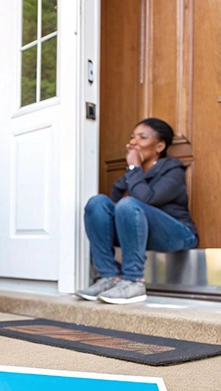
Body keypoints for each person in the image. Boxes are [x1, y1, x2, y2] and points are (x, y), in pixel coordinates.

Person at [77, 118, 199, 304]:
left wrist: (134, 167)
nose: (133, 142)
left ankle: (134, 281)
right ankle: (109, 277)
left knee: (128, 204)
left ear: (159, 146)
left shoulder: (173, 169)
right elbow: (115, 211)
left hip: (176, 233)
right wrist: (133, 172)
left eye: (142, 138)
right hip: (143, 232)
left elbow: (146, 199)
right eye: (132, 137)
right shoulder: (131, 176)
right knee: (97, 203)